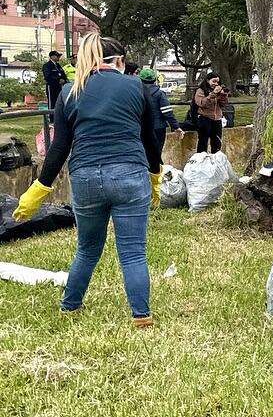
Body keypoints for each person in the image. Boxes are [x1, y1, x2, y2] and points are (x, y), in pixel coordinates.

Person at [13, 33, 162, 327]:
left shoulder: (70, 91)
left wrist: (38, 190)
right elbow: (151, 139)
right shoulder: (136, 86)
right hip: (130, 175)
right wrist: (155, 176)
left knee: (87, 248)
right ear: (119, 61)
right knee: (132, 251)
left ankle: (70, 306)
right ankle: (141, 316)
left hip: (84, 178)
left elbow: (59, 148)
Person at [139, 68, 181, 147]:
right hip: (158, 127)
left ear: (140, 79)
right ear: (154, 79)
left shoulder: (136, 93)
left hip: (140, 127)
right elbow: (167, 112)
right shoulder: (159, 94)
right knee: (156, 153)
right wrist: (175, 126)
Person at [192, 73, 228, 154]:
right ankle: (201, 161)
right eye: (214, 81)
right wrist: (213, 94)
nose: (215, 84)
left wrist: (223, 95)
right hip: (204, 119)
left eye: (217, 82)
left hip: (217, 119)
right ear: (208, 80)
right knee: (203, 142)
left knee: (217, 142)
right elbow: (202, 103)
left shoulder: (218, 91)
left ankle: (215, 161)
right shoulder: (200, 91)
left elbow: (223, 104)